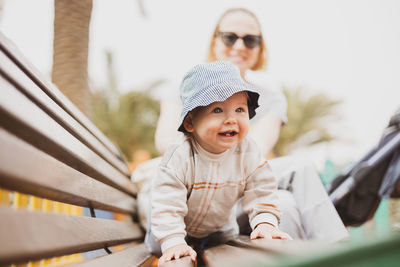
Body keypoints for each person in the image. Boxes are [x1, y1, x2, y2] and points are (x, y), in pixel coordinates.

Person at [145, 61, 291, 264]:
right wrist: (172, 241)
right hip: (171, 230)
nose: (231, 119)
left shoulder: (248, 151)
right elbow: (166, 204)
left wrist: (265, 222)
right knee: (170, 256)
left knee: (229, 254)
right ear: (190, 122)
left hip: (219, 230)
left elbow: (262, 190)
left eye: (240, 110)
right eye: (217, 110)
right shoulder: (180, 155)